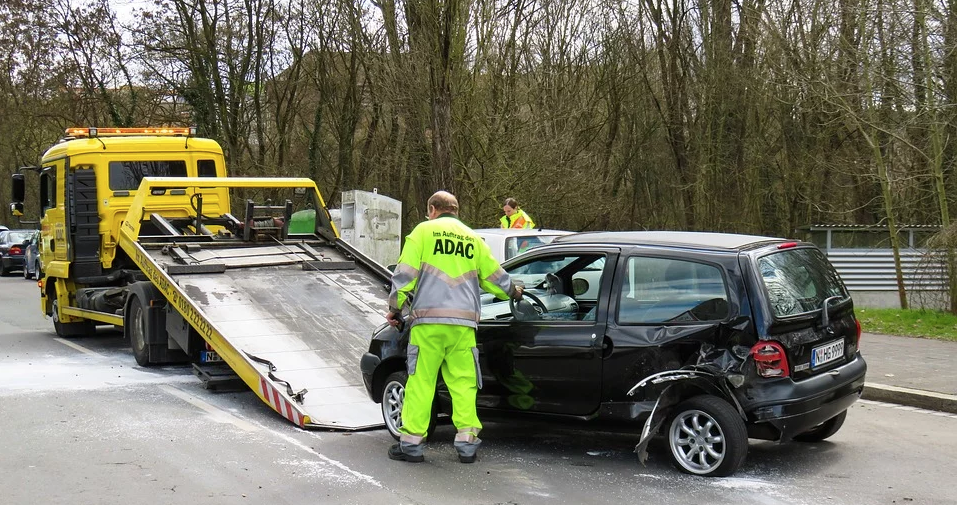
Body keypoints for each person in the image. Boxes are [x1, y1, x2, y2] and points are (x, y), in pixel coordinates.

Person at [386, 190, 523, 464]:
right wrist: (515, 292)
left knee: (422, 382)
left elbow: (405, 275)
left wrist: (394, 308)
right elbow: (495, 277)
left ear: (433, 210)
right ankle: (467, 445)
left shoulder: (423, 232)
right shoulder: (474, 239)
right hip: (463, 326)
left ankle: (412, 444)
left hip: (429, 323)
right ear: (456, 211)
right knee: (464, 384)